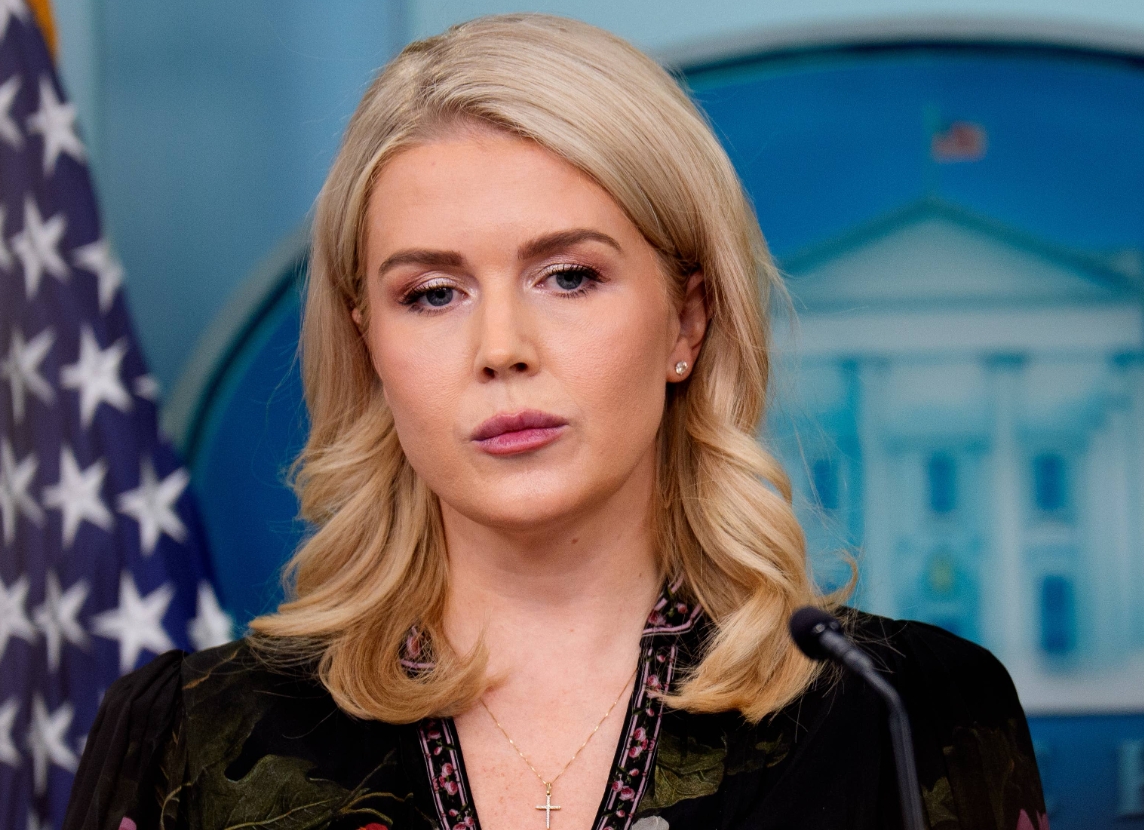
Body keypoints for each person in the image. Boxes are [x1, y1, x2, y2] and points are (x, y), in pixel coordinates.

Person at [66, 14, 1046, 830]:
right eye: (433, 292)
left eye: (568, 275)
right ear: (369, 343)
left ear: (685, 323)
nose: (501, 345)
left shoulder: (908, 714)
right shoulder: (189, 737)